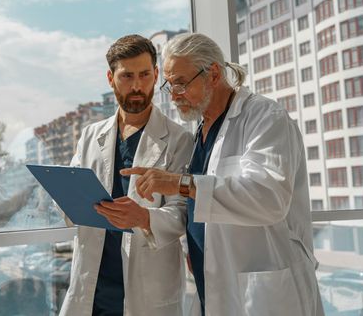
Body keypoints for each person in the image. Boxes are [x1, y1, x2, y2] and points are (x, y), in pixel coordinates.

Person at [122, 32, 324, 316]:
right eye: (169, 85)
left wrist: (180, 184)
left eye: (181, 83)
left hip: (264, 294)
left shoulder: (265, 117)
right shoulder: (201, 133)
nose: (174, 94)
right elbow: (203, 206)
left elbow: (268, 198)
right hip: (215, 287)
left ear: (213, 74)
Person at [59, 34, 193, 316]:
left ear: (156, 75)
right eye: (126, 76)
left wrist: (144, 217)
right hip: (94, 287)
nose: (137, 86)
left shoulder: (180, 140)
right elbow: (68, 204)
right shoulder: (90, 136)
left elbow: (184, 213)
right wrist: (63, 199)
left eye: (145, 75)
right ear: (110, 78)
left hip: (148, 290)